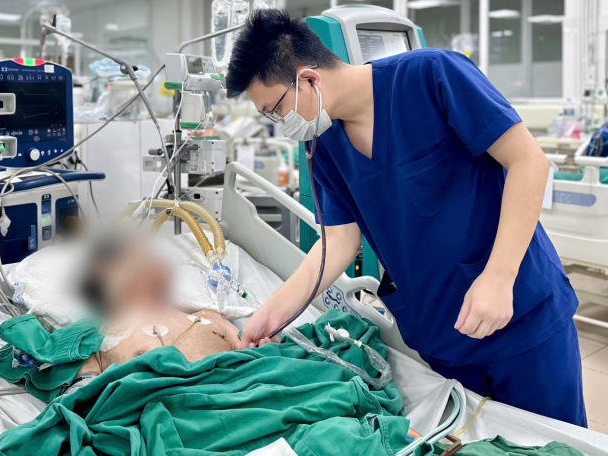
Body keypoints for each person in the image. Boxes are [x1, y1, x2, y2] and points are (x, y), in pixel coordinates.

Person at [225, 10, 585, 427]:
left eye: (275, 110)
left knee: (557, 445)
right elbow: (338, 243)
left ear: (308, 80)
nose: (280, 124)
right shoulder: (324, 146)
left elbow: (528, 161)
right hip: (442, 336)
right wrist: (271, 314)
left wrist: (499, 277)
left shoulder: (432, 77)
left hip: (520, 317)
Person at [70, 235, 241, 392]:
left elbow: (251, 356)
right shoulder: (98, 336)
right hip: (163, 405)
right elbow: (81, 396)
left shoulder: (210, 316)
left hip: (233, 397)